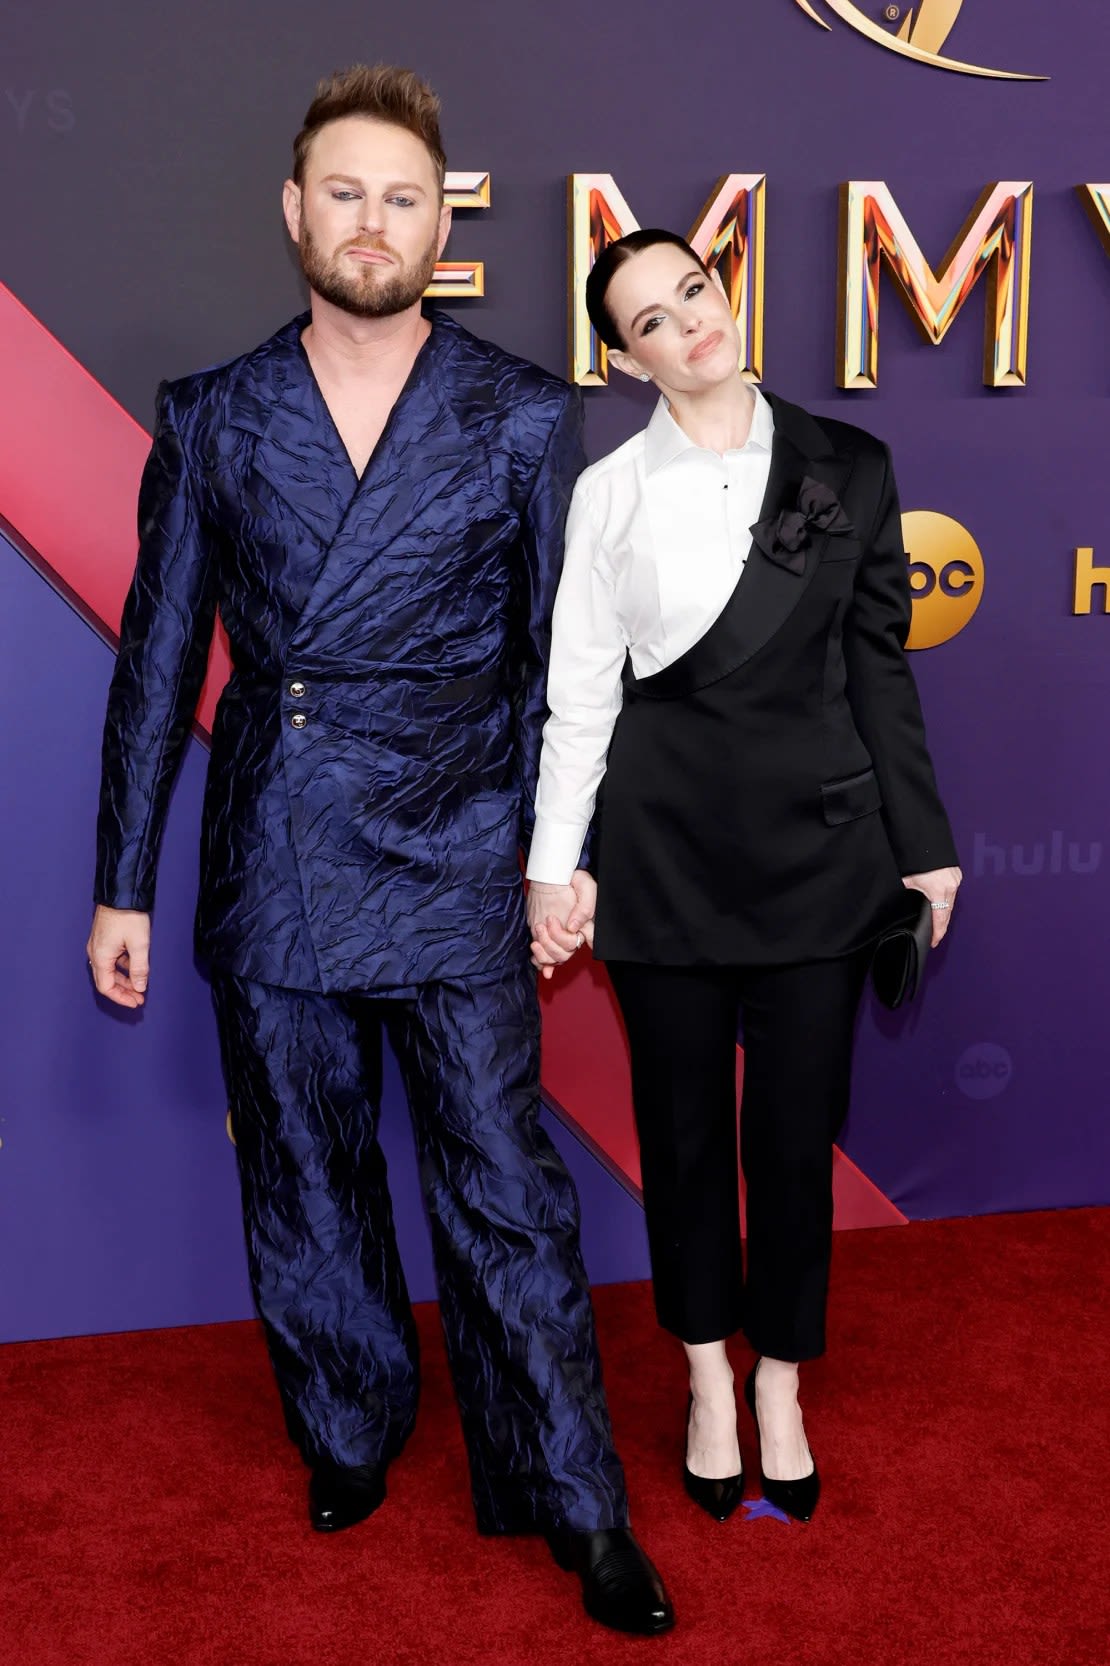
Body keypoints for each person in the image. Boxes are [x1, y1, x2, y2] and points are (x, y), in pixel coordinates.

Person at [86, 68, 673, 1636]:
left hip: (464, 845)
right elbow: (156, 661)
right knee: (304, 1176)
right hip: (272, 847)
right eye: (343, 192)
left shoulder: (523, 411)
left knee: (504, 1191)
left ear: (441, 223)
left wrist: (564, 862)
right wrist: (120, 881)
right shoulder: (213, 415)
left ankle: (573, 1495)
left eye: (401, 196)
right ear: (296, 213)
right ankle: (345, 1428)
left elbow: (565, 669)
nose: (371, 221)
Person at [527, 228, 961, 1525]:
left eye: (693, 295)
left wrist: (924, 844)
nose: (686, 326)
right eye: (650, 320)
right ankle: (705, 1374)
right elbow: (578, 699)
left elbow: (882, 669)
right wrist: (556, 868)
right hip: (660, 864)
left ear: (727, 296)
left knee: (789, 1137)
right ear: (624, 358)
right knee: (680, 1139)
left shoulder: (850, 465)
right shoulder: (608, 490)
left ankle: (780, 1377)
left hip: (820, 863)